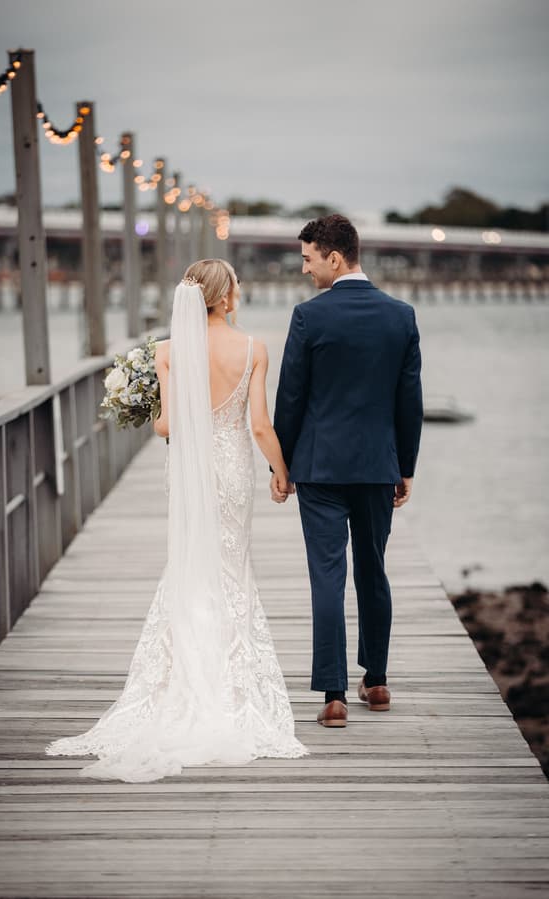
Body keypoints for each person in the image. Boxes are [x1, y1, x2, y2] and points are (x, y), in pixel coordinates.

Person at [45, 258, 307, 781]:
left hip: (188, 474)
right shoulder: (254, 349)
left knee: (190, 564)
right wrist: (284, 472)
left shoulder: (166, 352)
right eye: (236, 285)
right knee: (232, 568)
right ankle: (227, 682)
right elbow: (259, 425)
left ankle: (181, 677)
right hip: (232, 472)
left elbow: (165, 424)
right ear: (225, 295)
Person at [272, 214, 423, 728]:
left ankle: (334, 695)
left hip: (319, 468)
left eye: (309, 259)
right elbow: (410, 402)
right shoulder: (400, 316)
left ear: (335, 258)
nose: (305, 270)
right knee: (373, 571)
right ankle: (376, 682)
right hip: (378, 467)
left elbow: (290, 399)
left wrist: (282, 464)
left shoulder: (308, 318)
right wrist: (404, 467)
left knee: (327, 576)